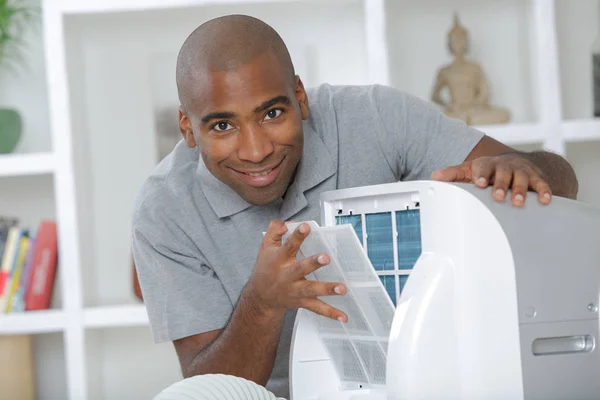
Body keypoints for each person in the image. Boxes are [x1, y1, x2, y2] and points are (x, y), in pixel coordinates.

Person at [131, 14, 578, 399]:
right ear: (188, 129)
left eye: (272, 114)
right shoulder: (162, 211)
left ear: (300, 98)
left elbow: (561, 182)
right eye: (223, 125)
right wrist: (262, 302)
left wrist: (519, 170)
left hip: (433, 382)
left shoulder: (375, 116)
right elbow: (209, 390)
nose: (256, 151)